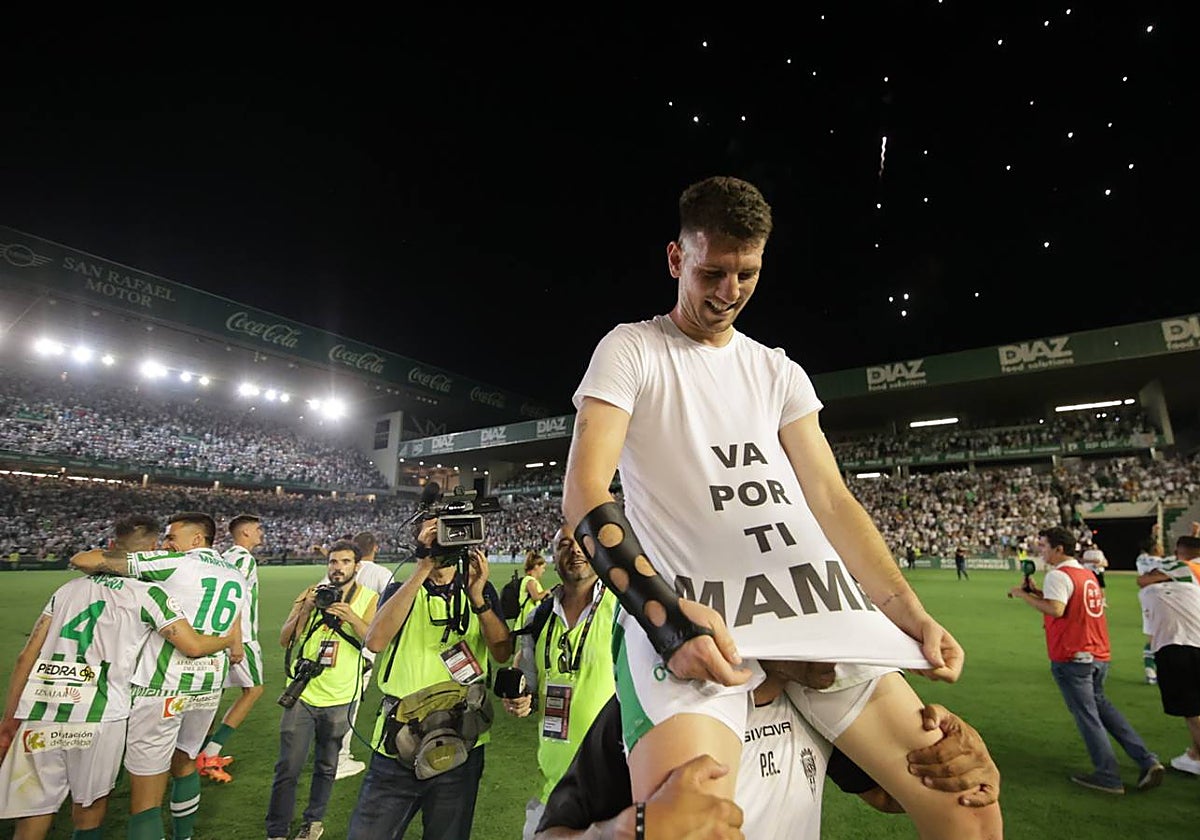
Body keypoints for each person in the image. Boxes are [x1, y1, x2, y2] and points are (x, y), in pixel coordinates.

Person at [562, 175, 999, 839]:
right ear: (677, 259)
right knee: (694, 824)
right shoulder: (632, 349)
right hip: (699, 609)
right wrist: (666, 616)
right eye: (712, 272)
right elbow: (585, 492)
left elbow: (829, 497)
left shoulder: (778, 371)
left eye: (747, 274)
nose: (728, 292)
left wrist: (911, 615)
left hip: (811, 603)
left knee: (966, 799)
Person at [535, 661, 1000, 840]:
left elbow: (887, 795)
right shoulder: (652, 714)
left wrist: (961, 769)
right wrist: (624, 832)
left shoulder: (817, 705)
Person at [0, 515, 233, 840]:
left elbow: (26, 657)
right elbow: (192, 646)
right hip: (101, 714)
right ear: (151, 550)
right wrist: (227, 639)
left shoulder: (66, 590)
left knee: (32, 818)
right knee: (89, 813)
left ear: (112, 547)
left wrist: (10, 720)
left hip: (41, 712)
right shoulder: (149, 594)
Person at [69, 511, 249, 840]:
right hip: (208, 686)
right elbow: (235, 624)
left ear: (196, 540)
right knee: (184, 764)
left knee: (145, 797)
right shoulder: (236, 575)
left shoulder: (175, 564)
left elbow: (86, 560)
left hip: (163, 688)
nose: (165, 545)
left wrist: (133, 553)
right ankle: (184, 836)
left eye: (171, 538)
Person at [347, 519, 513, 840]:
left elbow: (503, 651)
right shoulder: (402, 590)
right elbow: (375, 641)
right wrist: (422, 568)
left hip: (462, 739)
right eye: (435, 538)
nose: (444, 545)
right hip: (399, 743)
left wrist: (478, 598)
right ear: (420, 545)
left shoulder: (480, 591)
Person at [1007, 525, 1163, 794]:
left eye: (1043, 546)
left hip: (1073, 655)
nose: (1040, 551)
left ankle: (1108, 775)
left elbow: (1056, 609)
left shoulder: (1058, 575)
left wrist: (1022, 595)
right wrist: (1036, 594)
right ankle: (1146, 760)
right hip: (1098, 653)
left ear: (1058, 549)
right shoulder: (1087, 574)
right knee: (1104, 711)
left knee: (1087, 716)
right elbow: (1069, 605)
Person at [502, 528, 619, 839]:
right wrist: (521, 699)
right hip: (554, 783)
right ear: (554, 557)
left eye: (583, 543)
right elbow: (530, 684)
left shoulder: (624, 609)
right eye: (565, 544)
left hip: (618, 784)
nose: (575, 550)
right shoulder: (539, 617)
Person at [266, 540, 378, 840]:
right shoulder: (312, 595)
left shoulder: (369, 598)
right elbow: (285, 639)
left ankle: (312, 822)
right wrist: (304, 609)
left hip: (341, 696)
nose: (337, 568)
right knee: (287, 767)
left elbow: (375, 640)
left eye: (344, 562)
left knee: (327, 767)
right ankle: (276, 831)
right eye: (332, 562)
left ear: (357, 566)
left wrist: (350, 616)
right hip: (303, 693)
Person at [197, 513, 267, 783]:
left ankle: (198, 753)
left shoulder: (226, 557)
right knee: (253, 689)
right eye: (257, 529)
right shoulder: (243, 558)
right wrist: (236, 640)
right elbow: (234, 597)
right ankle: (210, 753)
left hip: (220, 636)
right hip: (242, 637)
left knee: (213, 697)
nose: (261, 533)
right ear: (245, 533)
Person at [330, 531, 394, 780]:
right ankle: (339, 758)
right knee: (350, 701)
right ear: (375, 548)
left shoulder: (343, 571)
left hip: (332, 638)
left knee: (330, 697)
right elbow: (391, 606)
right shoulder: (381, 573)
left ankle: (328, 752)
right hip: (362, 642)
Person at [1136, 534, 1200, 775]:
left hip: (1180, 645)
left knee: (1191, 710)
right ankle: (1195, 756)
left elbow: (1143, 580)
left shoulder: (1182, 569)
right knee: (1194, 708)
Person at [516, 550, 553, 632]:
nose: (543, 571)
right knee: (528, 643)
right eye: (543, 568)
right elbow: (535, 597)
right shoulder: (530, 581)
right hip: (528, 617)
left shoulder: (533, 580)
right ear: (536, 566)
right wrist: (547, 592)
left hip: (533, 616)